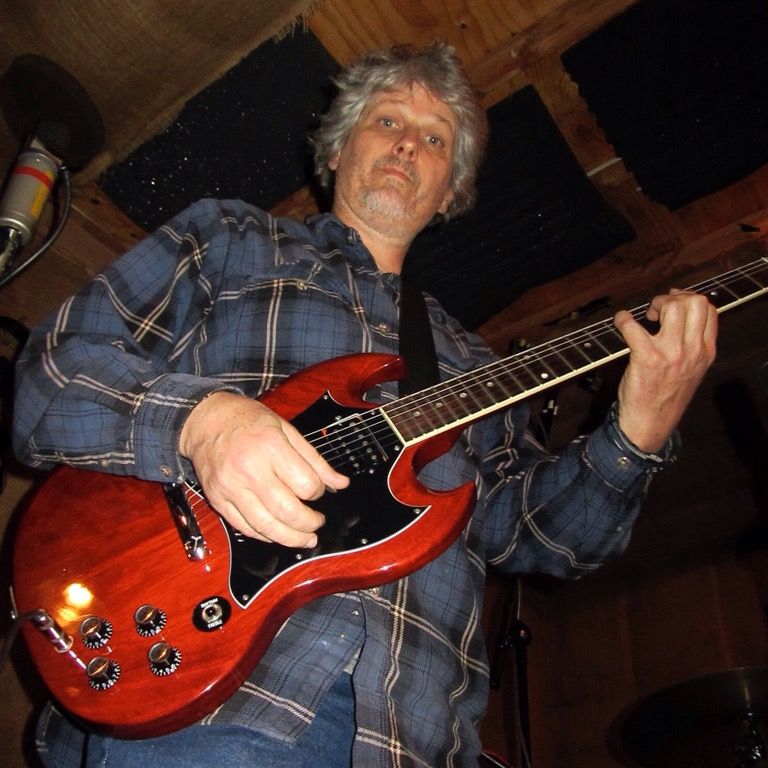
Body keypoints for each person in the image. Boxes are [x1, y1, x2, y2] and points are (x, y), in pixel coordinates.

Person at [13, 42, 717, 768]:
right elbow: (52, 370)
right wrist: (201, 422)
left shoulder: (473, 364)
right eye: (387, 122)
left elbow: (543, 536)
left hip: (415, 735)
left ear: (450, 192)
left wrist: (639, 431)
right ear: (337, 146)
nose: (409, 144)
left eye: (435, 140)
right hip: (219, 699)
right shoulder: (229, 239)